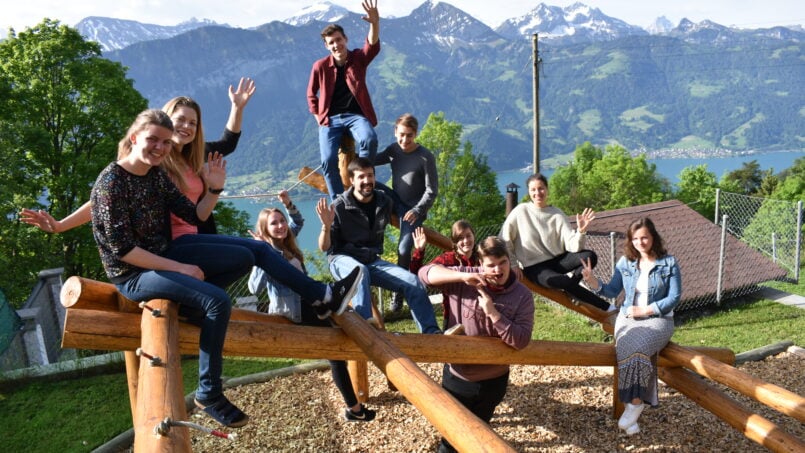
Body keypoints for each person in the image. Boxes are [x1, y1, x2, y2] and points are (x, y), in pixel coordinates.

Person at [90, 109, 362, 428]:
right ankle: (209, 393)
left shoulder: (154, 174)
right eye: (153, 140)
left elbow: (195, 216)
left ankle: (322, 295)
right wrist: (180, 268)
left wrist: (214, 189)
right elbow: (124, 251)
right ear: (134, 138)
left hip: (166, 252)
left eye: (165, 142)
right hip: (134, 274)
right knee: (217, 301)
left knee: (255, 251)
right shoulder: (112, 182)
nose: (160, 148)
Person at [20, 79, 256, 235]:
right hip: (167, 245)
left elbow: (228, 143)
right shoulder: (151, 160)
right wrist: (61, 225)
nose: (186, 126)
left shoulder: (195, 154)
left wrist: (237, 108)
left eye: (192, 122)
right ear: (165, 120)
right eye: (180, 119)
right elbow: (105, 198)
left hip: (200, 236)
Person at [247, 190, 376, 422]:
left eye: (281, 221)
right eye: (273, 224)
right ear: (265, 230)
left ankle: (354, 409)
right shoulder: (268, 253)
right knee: (335, 354)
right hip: (295, 311)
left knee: (336, 354)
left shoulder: (287, 242)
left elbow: (298, 221)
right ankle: (354, 409)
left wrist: (288, 204)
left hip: (309, 305)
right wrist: (259, 251)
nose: (280, 226)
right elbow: (253, 288)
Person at [417, 236, 534, 453]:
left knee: (480, 434)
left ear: (510, 261)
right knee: (450, 439)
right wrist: (462, 276)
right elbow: (424, 274)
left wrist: (494, 314)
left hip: (495, 381)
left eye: (502, 263)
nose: (498, 270)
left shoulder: (522, 295)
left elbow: (521, 340)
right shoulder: (466, 279)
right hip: (458, 379)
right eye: (491, 265)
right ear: (481, 264)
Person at [581, 217, 681, 436]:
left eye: (644, 237)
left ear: (653, 237)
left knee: (640, 348)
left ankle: (634, 404)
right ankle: (634, 405)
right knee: (625, 347)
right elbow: (611, 291)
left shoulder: (669, 263)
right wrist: (593, 281)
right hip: (628, 316)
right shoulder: (625, 262)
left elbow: (674, 297)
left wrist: (646, 310)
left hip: (659, 319)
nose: (640, 242)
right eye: (635, 238)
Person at [317, 157, 441, 334]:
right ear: (352, 180)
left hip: (371, 261)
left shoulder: (384, 201)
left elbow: (406, 211)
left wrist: (416, 219)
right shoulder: (338, 206)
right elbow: (324, 247)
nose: (367, 181)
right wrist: (326, 226)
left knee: (413, 282)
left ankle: (432, 334)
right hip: (341, 260)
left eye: (370, 176)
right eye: (361, 177)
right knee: (359, 272)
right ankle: (364, 328)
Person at [500, 173, 612, 311]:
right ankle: (607, 307)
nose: (537, 193)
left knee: (590, 256)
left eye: (541, 188)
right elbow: (504, 238)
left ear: (547, 190)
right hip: (535, 267)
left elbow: (573, 246)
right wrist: (513, 264)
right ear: (529, 192)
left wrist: (581, 231)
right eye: (533, 190)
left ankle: (571, 288)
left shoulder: (557, 214)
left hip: (558, 261)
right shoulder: (521, 211)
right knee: (562, 282)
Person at [307, 0, 380, 199]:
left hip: (356, 116)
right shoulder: (320, 66)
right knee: (328, 161)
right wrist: (319, 119)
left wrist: (374, 23)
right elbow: (311, 94)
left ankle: (361, 180)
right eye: (331, 42)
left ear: (345, 39)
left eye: (339, 40)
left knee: (369, 139)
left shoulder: (358, 58)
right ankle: (339, 203)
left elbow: (371, 46)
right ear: (327, 46)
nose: (336, 45)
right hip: (330, 119)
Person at [374, 113, 438, 312]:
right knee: (370, 185)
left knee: (403, 250)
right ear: (395, 132)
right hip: (396, 201)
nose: (404, 140)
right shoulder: (393, 150)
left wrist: (418, 210)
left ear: (415, 134)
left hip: (414, 210)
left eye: (409, 135)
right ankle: (376, 236)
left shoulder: (425, 156)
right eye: (401, 135)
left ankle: (398, 293)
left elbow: (432, 190)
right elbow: (371, 161)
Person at [409, 221, 479, 329]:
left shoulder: (482, 258)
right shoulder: (448, 259)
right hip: (454, 316)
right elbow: (418, 274)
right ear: (455, 241)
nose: (465, 241)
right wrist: (419, 250)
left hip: (479, 313)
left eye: (468, 235)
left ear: (474, 236)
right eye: (460, 238)